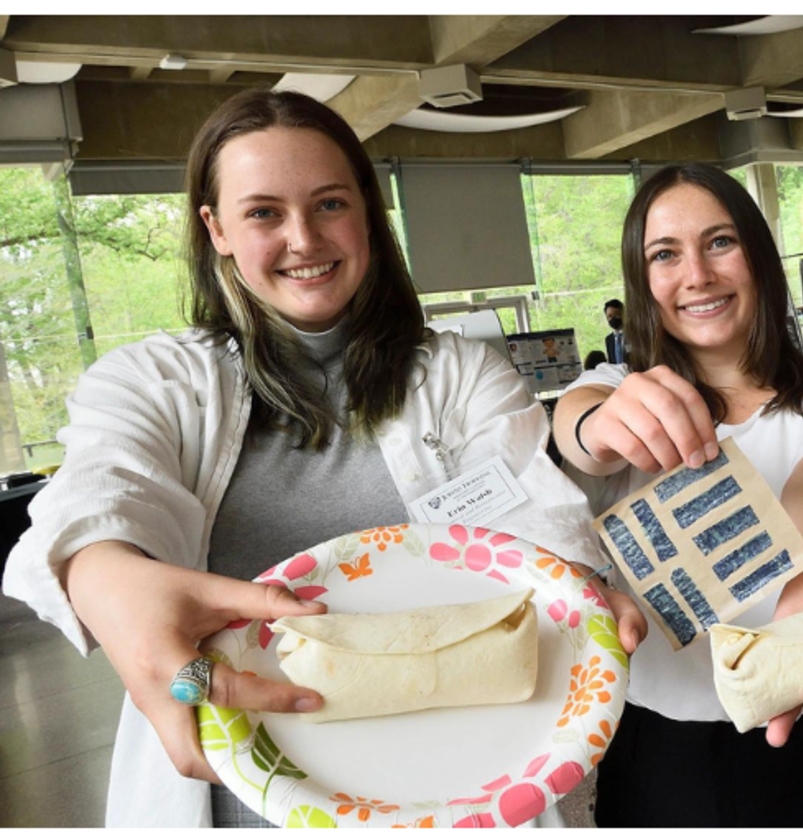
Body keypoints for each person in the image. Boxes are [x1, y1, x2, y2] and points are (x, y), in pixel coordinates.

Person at [0, 89, 644, 828]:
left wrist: (580, 590)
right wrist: (106, 577)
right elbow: (99, 488)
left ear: (367, 212)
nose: (303, 238)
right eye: (263, 212)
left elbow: (535, 511)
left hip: (462, 784)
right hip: (246, 798)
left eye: (330, 203)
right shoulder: (152, 381)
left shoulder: (460, 374)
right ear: (215, 228)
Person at [552, 162, 803, 827]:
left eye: (719, 242)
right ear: (641, 281)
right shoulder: (619, 390)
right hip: (655, 746)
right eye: (666, 254)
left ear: (759, 257)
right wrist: (594, 427)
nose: (697, 274)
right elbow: (579, 425)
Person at [603, 297, 627, 363]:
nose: (613, 318)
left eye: (616, 314)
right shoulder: (609, 339)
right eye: (609, 316)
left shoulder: (635, 334)